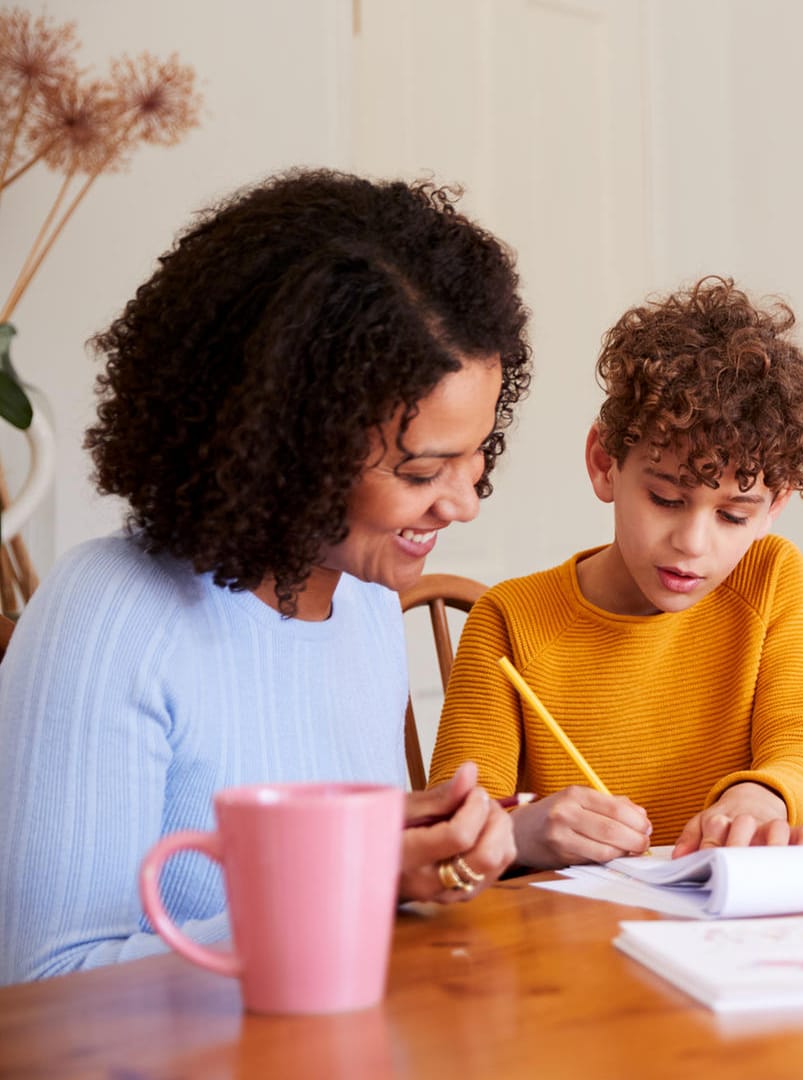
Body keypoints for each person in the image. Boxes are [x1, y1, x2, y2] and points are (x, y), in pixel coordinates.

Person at [0, 170, 533, 983]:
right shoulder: (108, 618)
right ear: (290, 445)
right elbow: (43, 987)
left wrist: (407, 851)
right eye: (424, 471)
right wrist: (349, 884)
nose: (463, 505)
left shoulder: (360, 605)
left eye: (478, 456)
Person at [429, 276, 803, 868]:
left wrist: (762, 795)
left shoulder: (771, 578)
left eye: (734, 515)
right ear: (605, 465)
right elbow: (451, 823)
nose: (692, 544)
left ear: (774, 506)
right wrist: (523, 831)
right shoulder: (510, 621)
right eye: (665, 499)